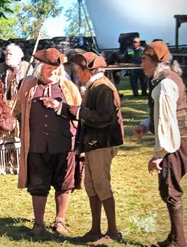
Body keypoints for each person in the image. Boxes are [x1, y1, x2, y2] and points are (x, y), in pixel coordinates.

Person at [43, 52, 124, 244]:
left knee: (102, 186)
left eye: (79, 70)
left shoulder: (102, 87)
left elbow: (105, 117)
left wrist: (78, 110)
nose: (78, 74)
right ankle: (95, 230)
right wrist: (60, 107)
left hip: (101, 144)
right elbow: (85, 114)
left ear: (89, 70)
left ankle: (112, 232)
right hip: (94, 144)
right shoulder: (95, 86)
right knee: (92, 187)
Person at [12, 48, 81, 237]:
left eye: (56, 68)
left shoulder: (69, 87)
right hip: (36, 145)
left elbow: (80, 111)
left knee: (64, 184)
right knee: (38, 184)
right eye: (49, 67)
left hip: (64, 144)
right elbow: (15, 109)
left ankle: (60, 221)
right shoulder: (28, 86)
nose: (54, 71)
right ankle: (39, 223)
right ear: (40, 67)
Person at [133, 41, 186, 247]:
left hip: (175, 142)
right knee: (167, 189)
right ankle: (174, 237)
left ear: (156, 61)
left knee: (170, 190)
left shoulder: (165, 84)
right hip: (177, 140)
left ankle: (179, 242)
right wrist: (146, 125)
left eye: (144, 59)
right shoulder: (164, 80)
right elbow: (161, 114)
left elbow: (166, 122)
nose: (141, 63)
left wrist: (159, 155)